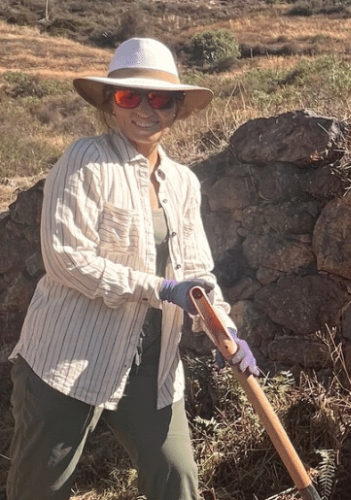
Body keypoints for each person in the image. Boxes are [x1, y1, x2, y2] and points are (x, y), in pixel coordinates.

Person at [6, 38, 259, 500]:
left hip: (152, 363)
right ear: (109, 103)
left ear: (177, 108)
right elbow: (67, 259)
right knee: (40, 488)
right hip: (69, 355)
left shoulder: (183, 182)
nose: (146, 109)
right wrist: (160, 287)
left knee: (176, 478)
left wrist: (222, 324)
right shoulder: (85, 161)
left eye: (160, 98)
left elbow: (198, 271)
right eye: (129, 96)